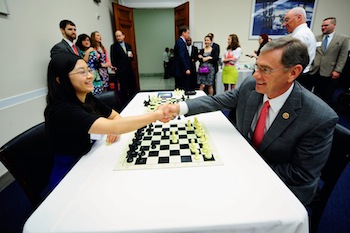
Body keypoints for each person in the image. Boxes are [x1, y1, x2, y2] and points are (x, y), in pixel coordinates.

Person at [163, 37, 339, 205]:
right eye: (257, 67)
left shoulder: (319, 118)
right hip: (246, 168)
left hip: (281, 187)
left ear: (293, 72)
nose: (256, 75)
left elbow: (300, 175)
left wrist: (245, 167)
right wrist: (179, 108)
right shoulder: (250, 86)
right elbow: (217, 101)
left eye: (265, 70)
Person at [44, 53, 170, 189]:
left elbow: (115, 116)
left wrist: (114, 129)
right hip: (69, 178)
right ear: (60, 80)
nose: (90, 76)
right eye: (82, 72)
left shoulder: (87, 98)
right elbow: (116, 124)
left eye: (88, 70)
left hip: (89, 160)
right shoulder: (62, 110)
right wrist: (156, 115)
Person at [309, 17, 349, 105]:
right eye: (322, 26)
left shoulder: (343, 39)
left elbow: (343, 56)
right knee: (312, 94)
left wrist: (337, 70)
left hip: (329, 72)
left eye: (326, 25)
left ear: (334, 25)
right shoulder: (316, 38)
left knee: (325, 96)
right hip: (315, 70)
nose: (323, 27)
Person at [283, 6, 316, 90]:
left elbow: (291, 60)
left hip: (297, 77)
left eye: (287, 20)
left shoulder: (300, 35)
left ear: (299, 17)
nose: (284, 24)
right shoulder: (305, 32)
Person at [173, 26, 192, 94]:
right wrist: (186, 68)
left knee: (180, 88)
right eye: (188, 33)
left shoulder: (180, 41)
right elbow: (181, 56)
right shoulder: (181, 42)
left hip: (180, 70)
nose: (188, 35)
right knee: (181, 89)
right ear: (183, 33)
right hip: (181, 71)